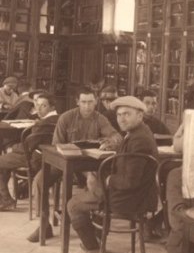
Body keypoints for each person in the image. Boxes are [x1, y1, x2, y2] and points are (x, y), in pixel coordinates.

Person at [67, 96, 158, 253]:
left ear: (140, 115)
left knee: (73, 205)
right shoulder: (138, 133)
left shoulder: (138, 140)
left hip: (130, 199)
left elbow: (130, 181)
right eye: (119, 115)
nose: (121, 119)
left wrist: (105, 180)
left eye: (127, 114)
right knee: (90, 187)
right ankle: (96, 244)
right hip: (135, 195)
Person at [27, 86, 122, 243]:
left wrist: (111, 142)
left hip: (89, 165)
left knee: (94, 183)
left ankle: (96, 230)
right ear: (77, 101)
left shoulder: (100, 119)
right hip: (64, 162)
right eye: (83, 102)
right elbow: (55, 144)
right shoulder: (66, 118)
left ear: (96, 101)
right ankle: (44, 225)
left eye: (90, 102)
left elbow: (116, 136)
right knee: (39, 181)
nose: (87, 106)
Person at [0, 92, 59, 210]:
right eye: (37, 105)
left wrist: (13, 148)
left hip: (35, 159)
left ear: (52, 107)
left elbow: (27, 146)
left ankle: (6, 200)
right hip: (49, 158)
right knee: (5, 162)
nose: (38, 108)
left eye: (43, 106)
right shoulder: (58, 118)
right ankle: (4, 198)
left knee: (3, 160)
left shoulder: (43, 124)